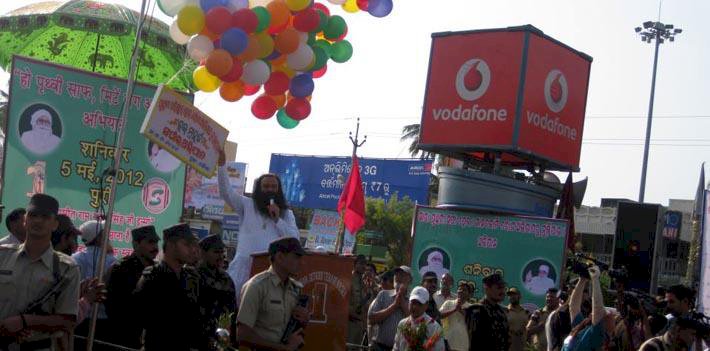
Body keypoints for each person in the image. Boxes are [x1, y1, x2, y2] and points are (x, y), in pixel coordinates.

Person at [0, 194, 80, 350]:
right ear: (25, 221)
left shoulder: (66, 268)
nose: (37, 220)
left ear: (55, 224)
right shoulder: (3, 256)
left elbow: (68, 321)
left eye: (45, 217)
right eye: (33, 215)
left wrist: (25, 322)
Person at [217, 150, 300, 302]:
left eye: (273, 187)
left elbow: (295, 240)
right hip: (242, 271)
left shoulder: (286, 214)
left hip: (270, 273)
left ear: (279, 190)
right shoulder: (247, 205)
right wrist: (221, 166)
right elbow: (226, 193)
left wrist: (277, 221)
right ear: (259, 189)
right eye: (266, 186)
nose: (269, 190)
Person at [133, 223, 202, 351]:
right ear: (170, 245)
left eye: (193, 245)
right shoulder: (153, 277)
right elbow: (139, 319)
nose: (192, 250)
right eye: (186, 244)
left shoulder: (191, 278)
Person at [236, 237, 310, 351]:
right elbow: (242, 334)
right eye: (296, 257)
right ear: (280, 257)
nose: (301, 262)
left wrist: (304, 321)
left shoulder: (295, 288)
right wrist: (283, 348)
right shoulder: (257, 286)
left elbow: (292, 329)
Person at [104, 225, 160, 349]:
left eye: (156, 242)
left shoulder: (157, 269)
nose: (155, 247)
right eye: (150, 242)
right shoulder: (121, 268)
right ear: (136, 244)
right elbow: (115, 307)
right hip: (122, 336)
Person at [71, 219, 116, 347]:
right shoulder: (112, 261)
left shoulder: (75, 258)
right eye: (104, 234)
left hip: (78, 317)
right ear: (99, 237)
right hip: (101, 321)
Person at [196, 234, 236, 351]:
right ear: (202, 253)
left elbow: (231, 311)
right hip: (196, 339)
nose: (221, 256)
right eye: (216, 252)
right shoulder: (192, 275)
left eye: (222, 252)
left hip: (220, 338)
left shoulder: (226, 278)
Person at [561, 266, 608, 351]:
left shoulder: (596, 335)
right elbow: (573, 307)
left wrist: (595, 280)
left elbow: (598, 308)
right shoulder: (582, 327)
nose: (592, 312)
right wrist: (582, 279)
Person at [368, 266, 413, 351]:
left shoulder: (413, 300)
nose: (398, 276)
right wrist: (394, 306)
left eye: (402, 275)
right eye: (396, 274)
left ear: (410, 280)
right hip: (379, 346)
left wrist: (402, 303)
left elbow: (416, 323)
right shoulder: (383, 294)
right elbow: (371, 319)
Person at [465, 273, 510, 351]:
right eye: (499, 288)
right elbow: (473, 342)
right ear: (487, 288)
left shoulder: (501, 312)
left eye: (503, 288)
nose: (502, 291)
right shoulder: (477, 310)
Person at [393, 286, 445, 351]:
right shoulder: (402, 323)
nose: (415, 307)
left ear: (426, 305)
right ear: (409, 301)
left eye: (419, 304)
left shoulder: (434, 327)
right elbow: (396, 347)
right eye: (413, 302)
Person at [439, 281, 473, 351]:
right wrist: (454, 310)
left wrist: (460, 310)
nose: (461, 291)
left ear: (469, 294)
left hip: (464, 344)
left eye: (464, 290)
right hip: (448, 341)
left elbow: (473, 322)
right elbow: (439, 315)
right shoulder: (448, 303)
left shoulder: (471, 307)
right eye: (459, 289)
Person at [349, 255, 369, 346]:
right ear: (355, 264)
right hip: (350, 322)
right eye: (361, 263)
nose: (364, 266)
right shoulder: (349, 279)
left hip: (360, 324)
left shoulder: (364, 283)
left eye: (365, 264)